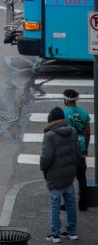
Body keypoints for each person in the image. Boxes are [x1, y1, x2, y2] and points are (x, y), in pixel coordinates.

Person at [40, 106, 79, 243]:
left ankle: (55, 234)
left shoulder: (50, 135)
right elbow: (77, 152)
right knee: (70, 203)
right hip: (69, 175)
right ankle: (72, 232)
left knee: (55, 205)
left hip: (55, 176)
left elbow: (46, 157)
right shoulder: (72, 131)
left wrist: (43, 167)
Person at [63, 89, 91, 211]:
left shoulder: (64, 113)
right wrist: (86, 147)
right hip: (81, 146)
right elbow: (88, 133)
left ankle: (69, 203)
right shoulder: (84, 113)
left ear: (65, 100)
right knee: (82, 176)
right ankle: (83, 202)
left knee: (68, 178)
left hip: (69, 148)